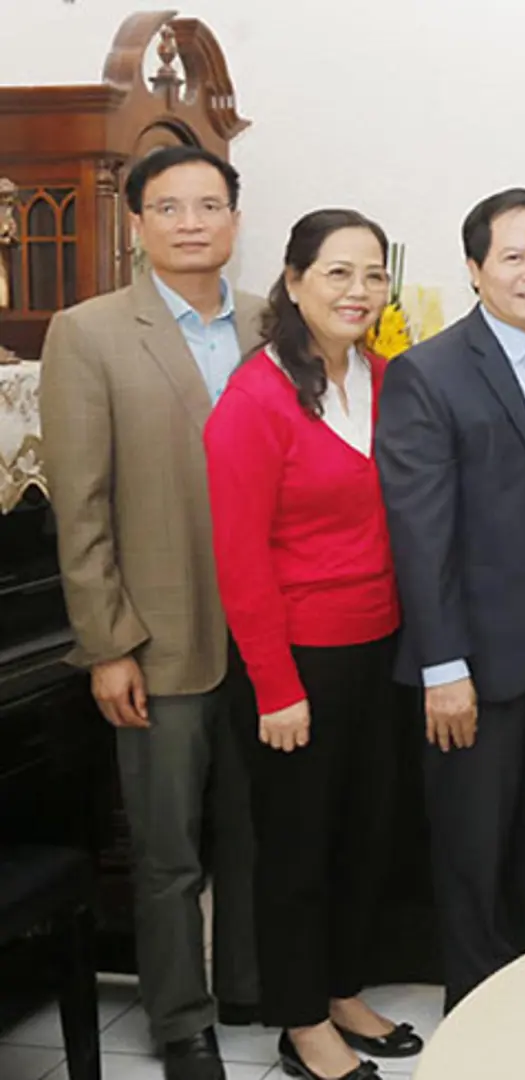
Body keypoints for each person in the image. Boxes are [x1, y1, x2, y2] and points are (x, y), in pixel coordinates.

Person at [39, 144, 260, 1080]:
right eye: (169, 207)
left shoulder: (269, 322)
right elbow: (80, 504)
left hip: (271, 641)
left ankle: (260, 989)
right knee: (167, 851)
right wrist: (108, 644)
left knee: (260, 835)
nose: (192, 222)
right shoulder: (86, 332)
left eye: (210, 204)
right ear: (137, 225)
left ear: (235, 218)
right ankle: (182, 1023)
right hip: (157, 637)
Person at [376, 188, 525, 1011]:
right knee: (473, 851)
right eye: (513, 256)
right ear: (475, 270)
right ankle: (478, 1019)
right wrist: (443, 666)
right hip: (472, 658)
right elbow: (420, 535)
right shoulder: (426, 374)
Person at [205, 209, 424, 1080]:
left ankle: (341, 990)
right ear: (293, 282)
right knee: (295, 851)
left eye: (373, 274)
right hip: (295, 663)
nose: (358, 291)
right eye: (337, 272)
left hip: (381, 650)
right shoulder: (254, 398)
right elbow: (239, 557)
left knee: (365, 837)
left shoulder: (388, 378)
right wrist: (274, 686)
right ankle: (301, 1022)